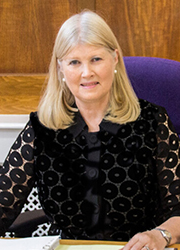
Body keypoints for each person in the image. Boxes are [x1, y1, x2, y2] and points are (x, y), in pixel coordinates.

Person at [0, 9, 180, 250]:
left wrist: (162, 235)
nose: (87, 73)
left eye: (96, 59)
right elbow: (3, 204)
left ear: (115, 58)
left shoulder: (153, 121)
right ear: (61, 68)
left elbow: (178, 210)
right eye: (74, 62)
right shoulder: (42, 128)